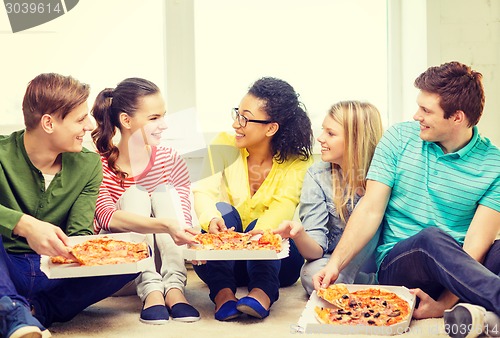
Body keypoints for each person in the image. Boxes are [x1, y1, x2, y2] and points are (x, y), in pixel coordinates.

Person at [312, 62, 500, 338]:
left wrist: (444, 304)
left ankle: (479, 316)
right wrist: (334, 265)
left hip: (462, 273)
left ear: (457, 117)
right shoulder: (399, 138)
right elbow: (370, 209)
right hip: (402, 264)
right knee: (430, 239)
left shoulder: (493, 164)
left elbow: (475, 243)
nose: (416, 116)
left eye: (426, 111)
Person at [0, 73, 139, 338]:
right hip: (6, 268)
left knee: (134, 258)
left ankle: (31, 312)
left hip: (56, 272)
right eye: (80, 119)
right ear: (49, 123)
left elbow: (80, 233)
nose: (89, 125)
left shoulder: (88, 165)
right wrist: (23, 224)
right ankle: (12, 310)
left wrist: (81, 254)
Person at [192, 77, 314, 321]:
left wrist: (255, 238)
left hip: (276, 262)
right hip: (225, 260)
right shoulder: (223, 145)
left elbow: (283, 206)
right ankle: (223, 295)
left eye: (245, 118)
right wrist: (212, 221)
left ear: (271, 128)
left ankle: (262, 294)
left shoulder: (298, 162)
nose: (236, 123)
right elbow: (204, 191)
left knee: (273, 232)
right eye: (238, 113)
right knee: (222, 210)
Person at [91, 78, 200, 324]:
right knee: (136, 193)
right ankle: (151, 290)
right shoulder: (97, 164)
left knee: (163, 191)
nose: (163, 125)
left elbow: (183, 213)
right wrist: (164, 225)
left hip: (167, 259)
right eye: (153, 118)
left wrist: (195, 238)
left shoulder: (170, 158)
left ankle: (174, 289)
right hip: (123, 266)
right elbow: (106, 217)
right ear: (125, 120)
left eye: (163, 116)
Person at [275, 101, 384, 295]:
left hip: (379, 261)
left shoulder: (384, 175)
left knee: (370, 213)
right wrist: (299, 234)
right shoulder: (317, 176)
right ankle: (370, 285)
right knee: (310, 275)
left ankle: (358, 284)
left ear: (356, 140)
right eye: (323, 131)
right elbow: (315, 252)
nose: (320, 138)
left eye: (331, 134)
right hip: (334, 261)